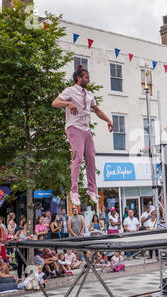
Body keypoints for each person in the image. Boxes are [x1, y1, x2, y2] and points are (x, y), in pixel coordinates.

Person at [52, 66, 114, 206]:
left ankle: (92, 189)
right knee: (78, 156)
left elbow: (96, 109)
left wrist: (108, 120)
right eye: (86, 77)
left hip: (86, 130)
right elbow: (55, 103)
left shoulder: (90, 94)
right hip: (74, 128)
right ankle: (74, 191)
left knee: (91, 157)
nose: (89, 80)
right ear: (78, 79)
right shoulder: (70, 90)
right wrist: (68, 103)